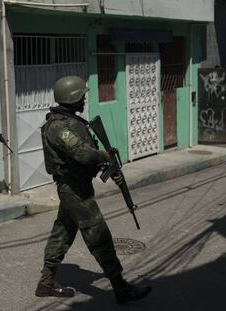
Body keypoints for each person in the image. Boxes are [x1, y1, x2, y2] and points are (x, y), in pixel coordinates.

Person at [35, 76, 151, 304]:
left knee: (62, 233)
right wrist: (106, 155)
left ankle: (46, 282)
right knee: (99, 235)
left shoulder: (73, 122)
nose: (84, 99)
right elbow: (84, 154)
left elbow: (85, 158)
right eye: (82, 95)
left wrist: (107, 168)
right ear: (72, 97)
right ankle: (121, 289)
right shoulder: (59, 127)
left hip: (76, 188)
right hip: (74, 191)